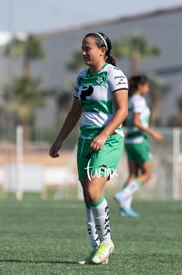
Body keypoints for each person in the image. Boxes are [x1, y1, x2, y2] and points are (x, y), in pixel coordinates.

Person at [49, 32, 128, 265]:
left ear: (102, 50)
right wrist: (59, 139)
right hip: (85, 141)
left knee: (94, 191)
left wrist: (104, 135)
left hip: (109, 140)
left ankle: (107, 242)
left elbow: (123, 110)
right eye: (82, 48)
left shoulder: (114, 75)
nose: (84, 52)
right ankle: (96, 250)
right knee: (88, 197)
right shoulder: (81, 77)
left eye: (88, 48)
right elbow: (75, 112)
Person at [114, 75, 163, 217]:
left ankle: (125, 208)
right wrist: (152, 133)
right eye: (146, 85)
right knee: (147, 174)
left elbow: (125, 121)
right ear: (140, 86)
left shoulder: (129, 100)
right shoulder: (139, 101)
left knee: (133, 174)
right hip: (139, 141)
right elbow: (136, 121)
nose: (148, 88)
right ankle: (123, 194)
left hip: (129, 140)